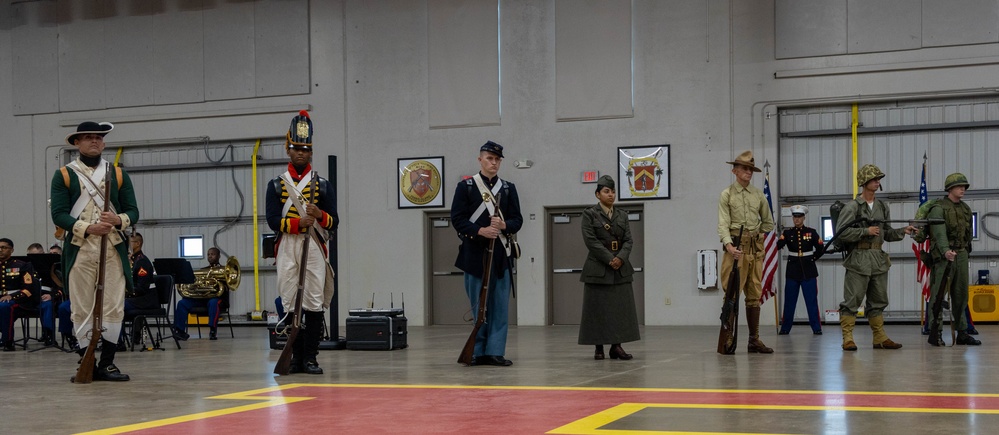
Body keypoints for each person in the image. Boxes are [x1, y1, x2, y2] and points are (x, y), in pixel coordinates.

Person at [50, 121, 138, 382]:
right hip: (80, 248)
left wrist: (117, 220)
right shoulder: (65, 175)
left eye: (98, 138)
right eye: (88, 138)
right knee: (81, 306)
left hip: (112, 248)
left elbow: (133, 211)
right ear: (76, 143)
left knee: (113, 305)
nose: (94, 142)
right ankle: (85, 360)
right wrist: (88, 228)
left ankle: (108, 363)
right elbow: (59, 214)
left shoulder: (118, 174)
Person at [266, 110, 339, 375]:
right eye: (296, 148)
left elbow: (335, 221)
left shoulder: (322, 185)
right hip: (288, 244)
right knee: (289, 299)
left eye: (305, 149)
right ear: (288, 150)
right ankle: (294, 357)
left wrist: (320, 215)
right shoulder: (277, 185)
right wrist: (298, 224)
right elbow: (273, 221)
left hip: (315, 245)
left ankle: (310, 357)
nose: (301, 153)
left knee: (313, 301)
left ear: (311, 152)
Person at [451, 140, 523, 366]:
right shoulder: (467, 187)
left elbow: (517, 220)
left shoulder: (508, 188)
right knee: (478, 305)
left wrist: (503, 226)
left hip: (501, 256)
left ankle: (495, 351)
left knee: (500, 307)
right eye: (490, 158)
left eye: (497, 159)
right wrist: (480, 230)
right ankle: (477, 350)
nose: (494, 163)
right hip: (474, 255)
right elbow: (458, 219)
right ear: (480, 159)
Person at [835, 164, 915, 351]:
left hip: (878, 259)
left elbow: (886, 233)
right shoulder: (852, 207)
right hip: (858, 259)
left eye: (878, 179)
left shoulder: (881, 206)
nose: (878, 181)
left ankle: (879, 337)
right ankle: (848, 338)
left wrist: (903, 231)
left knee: (878, 300)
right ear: (864, 182)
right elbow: (841, 233)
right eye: (874, 178)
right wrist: (865, 231)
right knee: (852, 300)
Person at [717, 150, 776, 354]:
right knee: (732, 293)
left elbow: (768, 222)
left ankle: (754, 339)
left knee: (754, 295)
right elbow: (723, 224)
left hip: (755, 250)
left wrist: (757, 233)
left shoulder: (758, 194)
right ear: (735, 171)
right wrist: (729, 245)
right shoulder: (727, 194)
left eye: (751, 169)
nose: (748, 172)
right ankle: (728, 337)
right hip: (736, 248)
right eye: (744, 168)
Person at [578, 175, 640, 360]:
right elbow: (590, 240)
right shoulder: (589, 214)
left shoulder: (622, 215)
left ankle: (616, 347)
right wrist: (609, 259)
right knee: (597, 309)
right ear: (598, 194)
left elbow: (628, 240)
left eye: (613, 191)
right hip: (598, 268)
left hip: (620, 269)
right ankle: (599, 348)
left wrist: (620, 258)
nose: (611, 195)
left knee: (619, 310)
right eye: (606, 191)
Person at [926, 173, 980, 346]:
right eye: (959, 186)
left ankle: (962, 332)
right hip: (944, 256)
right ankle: (936, 332)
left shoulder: (965, 208)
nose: (962, 189)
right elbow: (939, 232)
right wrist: (945, 251)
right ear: (950, 189)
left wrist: (964, 250)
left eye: (964, 186)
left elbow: (968, 233)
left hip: (961, 254)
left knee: (961, 294)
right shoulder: (938, 208)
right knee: (939, 295)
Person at [776, 205, 825, 335]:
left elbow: (820, 248)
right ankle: (785, 328)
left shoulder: (811, 232)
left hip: (808, 270)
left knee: (811, 301)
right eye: (795, 217)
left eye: (799, 217)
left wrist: (813, 258)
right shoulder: (787, 233)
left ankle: (816, 328)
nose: (797, 220)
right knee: (789, 301)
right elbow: (778, 246)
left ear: (804, 218)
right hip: (792, 270)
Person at [173, 247, 230, 341]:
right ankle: (180, 331)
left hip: (216, 298)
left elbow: (227, 288)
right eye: (208, 254)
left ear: (219, 256)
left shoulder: (224, 270)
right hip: (200, 299)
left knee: (213, 303)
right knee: (182, 303)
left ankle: (212, 330)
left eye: (212, 254)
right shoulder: (203, 270)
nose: (210, 256)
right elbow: (196, 286)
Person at [0, 238, 41, 351]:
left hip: (21, 302)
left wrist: (12, 297)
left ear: (12, 250)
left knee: (4, 306)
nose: (0, 250)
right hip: (2, 300)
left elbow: (28, 289)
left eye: (4, 247)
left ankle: (7, 341)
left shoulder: (23, 265)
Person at [124, 232, 158, 345]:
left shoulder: (142, 261)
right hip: (136, 298)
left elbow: (142, 288)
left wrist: (126, 291)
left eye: (128, 243)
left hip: (145, 300)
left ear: (137, 243)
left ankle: (117, 342)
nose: (126, 245)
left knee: (116, 306)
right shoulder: (132, 260)